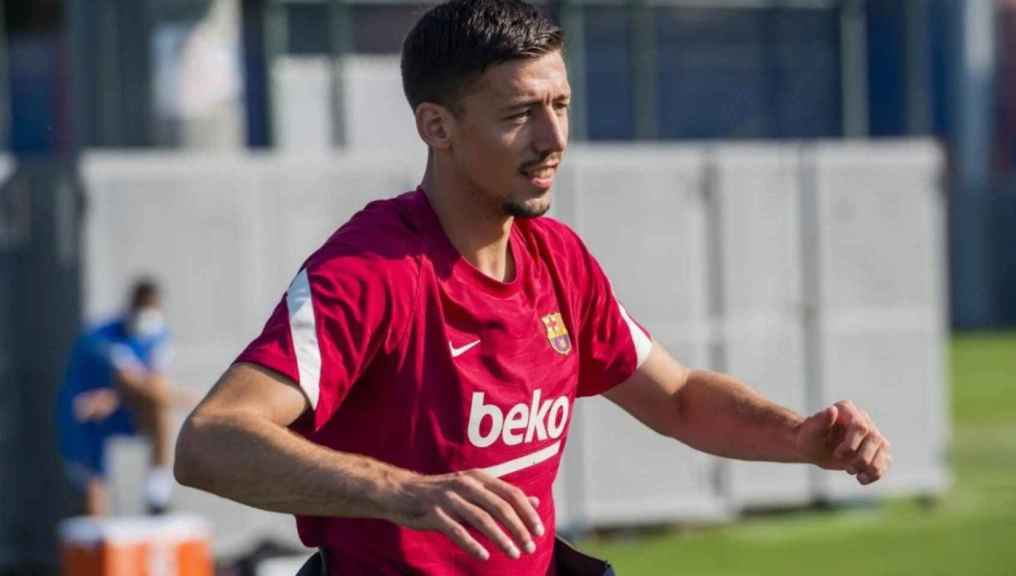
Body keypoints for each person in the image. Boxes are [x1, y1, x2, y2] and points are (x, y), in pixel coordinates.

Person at [174, 1, 892, 574]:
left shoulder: (557, 258)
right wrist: (403, 492)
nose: (554, 138)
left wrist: (799, 439)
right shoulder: (369, 274)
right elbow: (209, 441)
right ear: (437, 127)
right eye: (520, 114)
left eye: (562, 104)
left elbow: (677, 399)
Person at [58, 278, 176, 516]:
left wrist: (160, 394)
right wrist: (183, 398)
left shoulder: (159, 336)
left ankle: (157, 495)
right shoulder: (102, 336)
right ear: (131, 307)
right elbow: (131, 381)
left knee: (161, 412)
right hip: (86, 415)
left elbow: (156, 385)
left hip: (119, 408)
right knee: (94, 484)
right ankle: (96, 540)